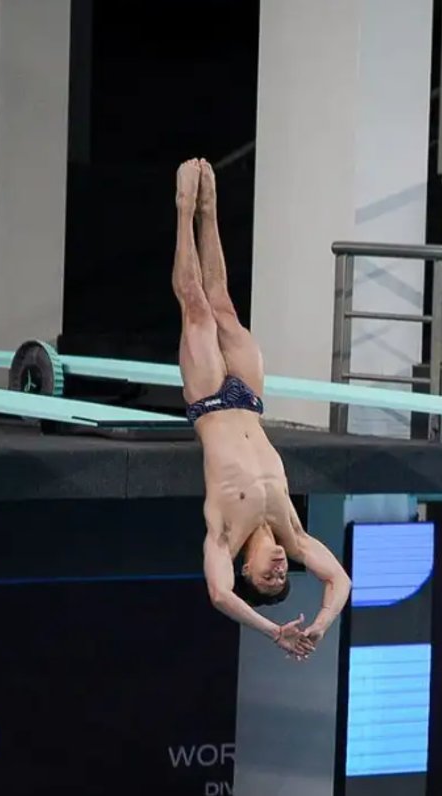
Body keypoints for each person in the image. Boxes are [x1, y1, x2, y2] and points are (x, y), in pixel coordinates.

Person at [173, 158, 351, 657]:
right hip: (249, 401)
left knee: (195, 303)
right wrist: (318, 624)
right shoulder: (293, 535)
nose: (278, 571)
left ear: (244, 570)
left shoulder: (224, 538)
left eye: (266, 581)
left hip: (208, 400)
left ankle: (185, 209)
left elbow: (218, 594)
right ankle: (210, 211)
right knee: (223, 302)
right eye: (282, 579)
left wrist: (271, 630)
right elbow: (340, 581)